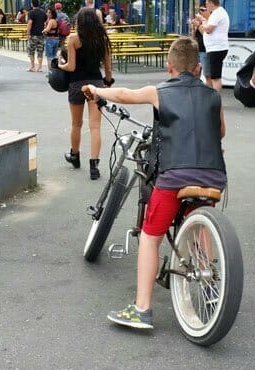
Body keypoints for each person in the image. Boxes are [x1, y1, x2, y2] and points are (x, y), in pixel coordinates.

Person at [82, 37, 226, 329]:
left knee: (150, 236)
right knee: (201, 225)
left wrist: (96, 90)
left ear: (169, 68)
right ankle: (211, 287)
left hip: (174, 176)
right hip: (212, 176)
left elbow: (124, 94)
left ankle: (142, 309)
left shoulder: (160, 91)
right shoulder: (214, 95)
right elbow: (220, 131)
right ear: (198, 68)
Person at [59, 7, 113, 179]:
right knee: (95, 126)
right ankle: (94, 166)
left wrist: (59, 65)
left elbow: (71, 67)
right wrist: (108, 82)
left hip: (76, 84)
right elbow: (108, 67)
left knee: (76, 124)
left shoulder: (73, 39)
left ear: (80, 22)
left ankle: (74, 156)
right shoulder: (102, 39)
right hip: (95, 84)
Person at [200, 0, 229, 92]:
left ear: (211, 3)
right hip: (215, 48)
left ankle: (216, 98)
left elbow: (208, 29)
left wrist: (203, 20)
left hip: (217, 49)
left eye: (207, 3)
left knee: (215, 77)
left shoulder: (217, 13)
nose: (206, 5)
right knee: (212, 76)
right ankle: (213, 97)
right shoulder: (217, 13)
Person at [25, 0, 46, 72]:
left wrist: (28, 33)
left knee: (31, 51)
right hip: (41, 35)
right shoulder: (43, 12)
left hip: (33, 35)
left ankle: (32, 67)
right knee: (40, 51)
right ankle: (40, 67)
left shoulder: (31, 12)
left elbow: (30, 23)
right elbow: (45, 22)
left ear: (32, 4)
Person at [190, 1, 209, 82]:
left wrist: (198, 25)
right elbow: (193, 37)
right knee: (195, 71)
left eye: (202, 10)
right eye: (200, 10)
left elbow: (205, 34)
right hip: (197, 48)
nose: (200, 12)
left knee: (206, 72)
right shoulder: (199, 21)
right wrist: (193, 28)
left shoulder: (208, 21)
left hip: (205, 49)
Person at [42, 5, 60, 72]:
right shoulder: (56, 20)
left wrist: (43, 31)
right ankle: (55, 71)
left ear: (52, 13)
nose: (47, 13)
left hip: (50, 40)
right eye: (47, 12)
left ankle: (50, 72)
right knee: (54, 56)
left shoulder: (51, 21)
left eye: (49, 12)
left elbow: (47, 29)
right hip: (56, 39)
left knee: (49, 57)